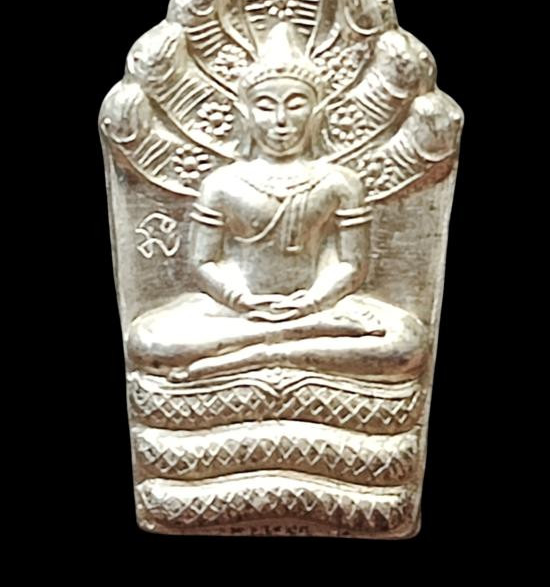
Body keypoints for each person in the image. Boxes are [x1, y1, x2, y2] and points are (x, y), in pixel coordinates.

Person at [128, 23, 426, 381]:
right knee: (148, 339)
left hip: (322, 309)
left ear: (317, 112)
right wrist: (241, 300)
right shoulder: (222, 184)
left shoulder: (339, 183)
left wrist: (313, 302)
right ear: (245, 114)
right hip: (238, 315)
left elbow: (352, 264)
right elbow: (204, 261)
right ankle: (287, 343)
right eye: (266, 107)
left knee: (407, 341)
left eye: (296, 104)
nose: (281, 121)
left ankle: (255, 355)